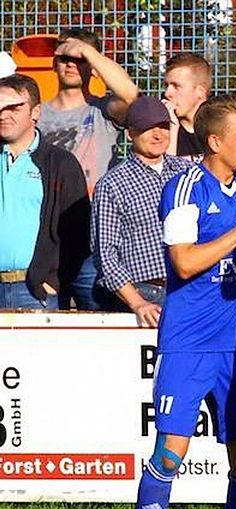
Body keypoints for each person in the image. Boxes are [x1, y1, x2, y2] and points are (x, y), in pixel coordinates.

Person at [123, 95, 236, 509]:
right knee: (170, 451)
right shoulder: (184, 188)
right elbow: (184, 263)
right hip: (188, 344)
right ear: (215, 142)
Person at [37, 27, 139, 311]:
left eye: (79, 59)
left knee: (97, 316)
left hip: (92, 235)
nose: (71, 64)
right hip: (45, 235)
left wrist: (88, 52)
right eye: (65, 58)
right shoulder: (36, 113)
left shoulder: (103, 109)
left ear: (93, 66)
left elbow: (131, 96)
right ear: (53, 63)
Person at [90, 96, 193, 324]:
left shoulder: (186, 172)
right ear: (130, 133)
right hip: (145, 293)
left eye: (164, 127)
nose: (158, 134)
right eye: (148, 128)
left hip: (190, 289)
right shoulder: (113, 184)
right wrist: (137, 302)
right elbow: (104, 255)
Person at [0, 74, 88, 311]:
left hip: (33, 291)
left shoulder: (60, 163)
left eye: (14, 108)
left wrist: (53, 281)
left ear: (35, 112)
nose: (3, 115)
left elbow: (77, 233)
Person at [163, 52, 211, 159]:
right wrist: (172, 129)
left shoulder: (221, 128)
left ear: (200, 92)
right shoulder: (160, 130)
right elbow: (164, 174)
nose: (167, 93)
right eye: (166, 86)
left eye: (176, 86)